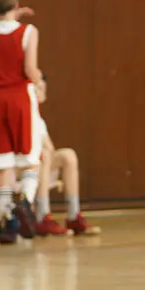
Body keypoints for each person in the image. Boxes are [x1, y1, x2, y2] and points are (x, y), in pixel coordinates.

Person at [0, 0, 43, 245]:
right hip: (19, 96)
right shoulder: (28, 31)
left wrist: (9, 13)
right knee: (31, 156)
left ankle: (5, 221)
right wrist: (38, 81)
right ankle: (25, 200)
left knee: (2, 161)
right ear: (16, 4)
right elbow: (29, 69)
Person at [30, 76, 97, 236]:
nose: (42, 90)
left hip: (41, 164)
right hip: (23, 166)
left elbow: (50, 148)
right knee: (44, 155)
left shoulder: (38, 119)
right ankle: (42, 216)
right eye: (38, 87)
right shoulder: (23, 113)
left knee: (68, 155)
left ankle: (74, 215)